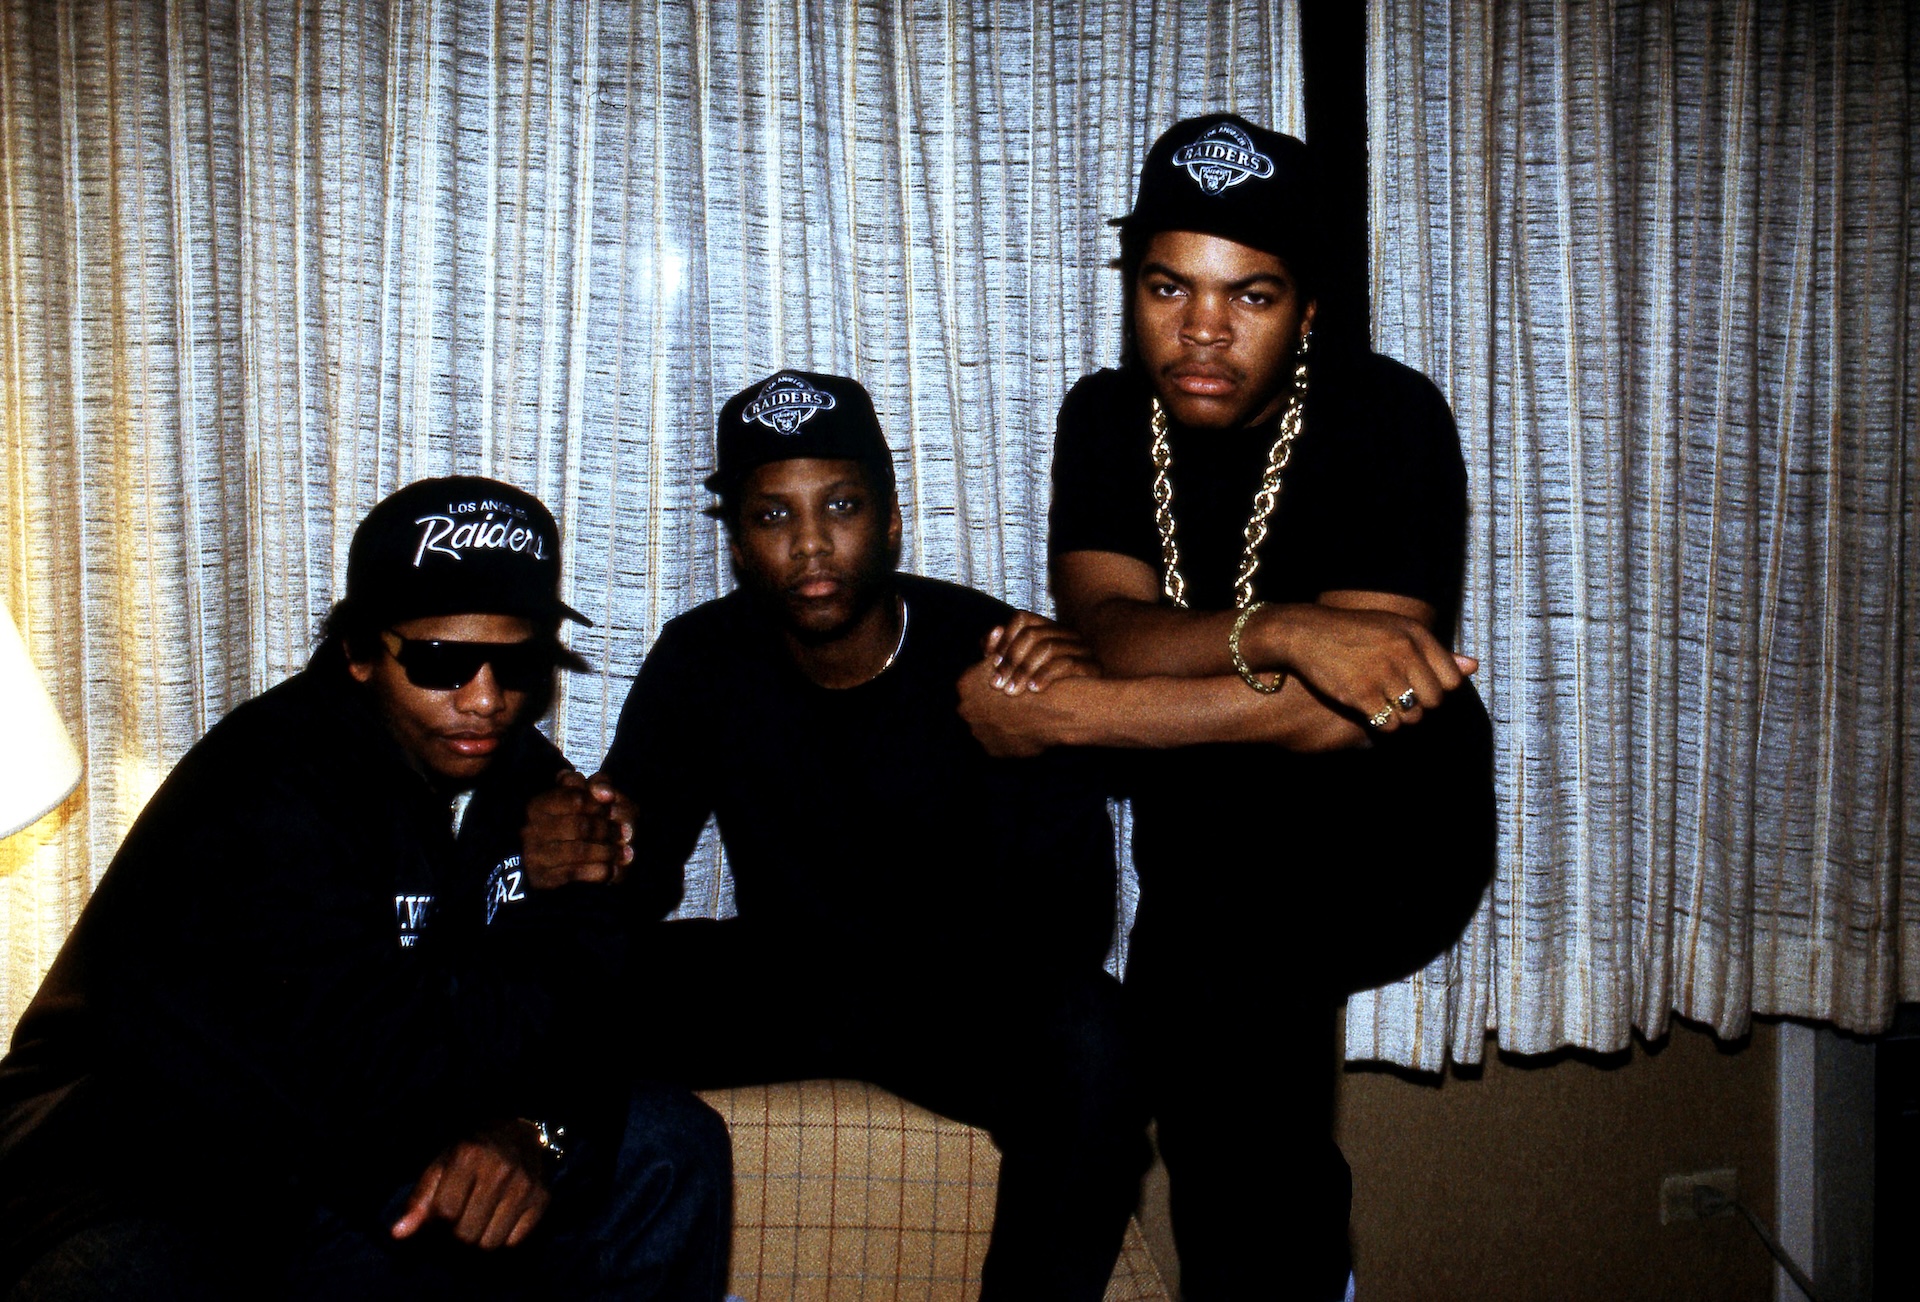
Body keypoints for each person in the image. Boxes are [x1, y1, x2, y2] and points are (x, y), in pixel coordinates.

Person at [955, 115, 1498, 1300]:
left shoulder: (1388, 420)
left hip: (1392, 820)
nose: (1202, 331)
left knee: (1229, 992)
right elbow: (1110, 628)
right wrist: (1287, 628)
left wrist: (1069, 719)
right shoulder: (1104, 417)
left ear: (1307, 311)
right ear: (1132, 287)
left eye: (1250, 294)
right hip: (1210, 812)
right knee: (1184, 1029)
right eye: (1169, 286)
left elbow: (1352, 715)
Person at [0, 477, 731, 1301]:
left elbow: (600, 1007)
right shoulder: (271, 791)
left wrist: (540, 1129)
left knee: (669, 1150)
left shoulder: (521, 773)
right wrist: (550, 944)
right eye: (440, 661)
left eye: (518, 662)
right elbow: (382, 1068)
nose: (487, 700)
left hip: (338, 1166)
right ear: (357, 653)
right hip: (142, 1169)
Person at [522, 370, 1147, 1302]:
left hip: (956, 997)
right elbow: (633, 879)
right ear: (737, 540)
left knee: (1094, 1036)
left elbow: (1072, 925)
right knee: (545, 987)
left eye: (841, 506)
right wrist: (580, 852)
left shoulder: (994, 653)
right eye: (772, 516)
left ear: (891, 519)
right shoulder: (705, 656)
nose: (811, 543)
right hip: (792, 977)